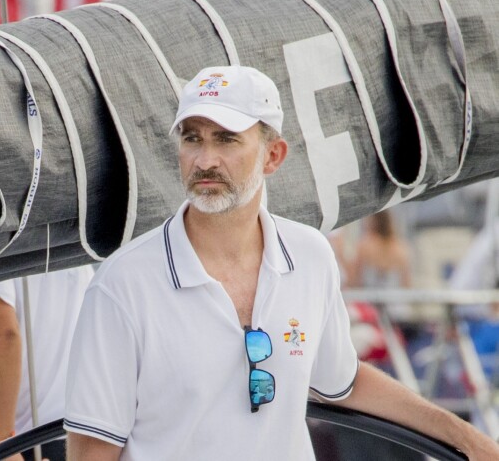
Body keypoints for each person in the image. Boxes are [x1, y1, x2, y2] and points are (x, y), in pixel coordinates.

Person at [64, 65, 499, 460]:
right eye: (192, 137)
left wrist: (466, 437)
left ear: (273, 156)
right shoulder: (123, 284)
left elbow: (342, 381)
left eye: (226, 138)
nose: (204, 159)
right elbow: (91, 453)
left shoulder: (310, 255)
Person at [0, 265, 94, 461]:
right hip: (91, 432)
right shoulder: (70, 239)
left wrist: (2, 447)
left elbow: (1, 335)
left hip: (37, 441)